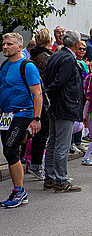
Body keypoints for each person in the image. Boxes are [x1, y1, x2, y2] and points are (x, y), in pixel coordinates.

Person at [0, 33, 42, 208]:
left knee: (10, 150)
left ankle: (19, 191)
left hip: (23, 113)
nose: (5, 46)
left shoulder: (28, 66)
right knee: (9, 152)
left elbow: (37, 94)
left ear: (19, 47)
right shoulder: (4, 66)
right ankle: (19, 191)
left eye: (9, 44)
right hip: (6, 115)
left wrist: (36, 119)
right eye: (3, 43)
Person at [43, 30, 83, 193]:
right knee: (62, 144)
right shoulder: (68, 58)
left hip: (55, 105)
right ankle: (61, 180)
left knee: (52, 141)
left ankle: (50, 177)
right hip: (64, 105)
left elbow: (48, 79)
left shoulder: (55, 55)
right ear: (75, 44)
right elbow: (60, 82)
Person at [28, 29, 53, 180]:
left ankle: (35, 162)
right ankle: (36, 164)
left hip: (39, 95)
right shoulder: (45, 57)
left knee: (41, 131)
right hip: (43, 96)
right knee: (43, 131)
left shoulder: (36, 54)